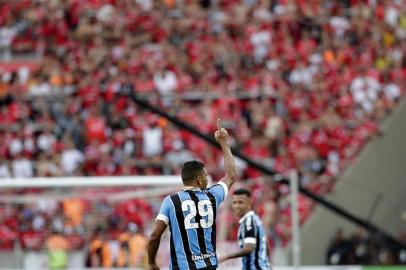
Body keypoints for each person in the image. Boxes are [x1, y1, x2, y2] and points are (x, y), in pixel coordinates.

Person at [147, 119, 238, 270]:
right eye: (206, 176)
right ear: (199, 179)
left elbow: (154, 236)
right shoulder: (212, 196)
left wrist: (151, 262)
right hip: (209, 266)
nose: (207, 179)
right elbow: (231, 175)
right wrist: (224, 143)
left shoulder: (171, 201)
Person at [219, 188, 272, 270]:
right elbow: (266, 245)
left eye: (241, 202)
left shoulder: (249, 221)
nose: (237, 206)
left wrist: (226, 257)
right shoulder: (255, 219)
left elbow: (249, 247)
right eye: (234, 202)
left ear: (250, 202)